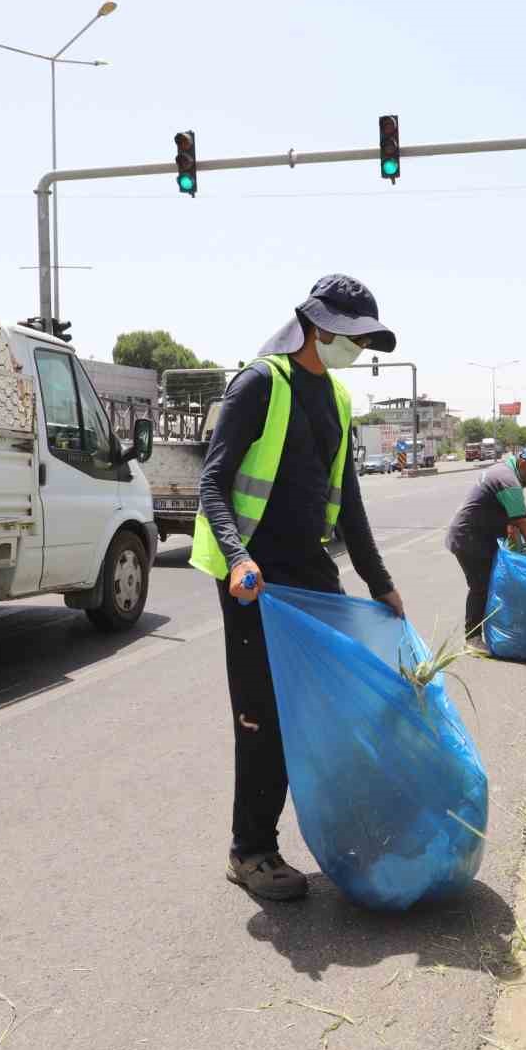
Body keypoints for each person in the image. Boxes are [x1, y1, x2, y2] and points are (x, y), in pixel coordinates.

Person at [191, 274, 406, 901]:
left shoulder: (336, 397)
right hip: (254, 580)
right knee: (264, 717)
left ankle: (339, 831)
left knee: (322, 712)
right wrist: (236, 559)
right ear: (316, 327)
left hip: (311, 571)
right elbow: (213, 484)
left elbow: (351, 500)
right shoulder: (260, 383)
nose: (359, 350)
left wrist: (380, 581)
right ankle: (250, 851)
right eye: (352, 337)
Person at [446, 445, 526, 652]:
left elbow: (514, 524)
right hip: (470, 538)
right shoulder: (509, 481)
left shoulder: (503, 471)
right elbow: (524, 523)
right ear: (524, 464)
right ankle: (472, 638)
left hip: (480, 536)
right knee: (481, 585)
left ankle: (494, 632)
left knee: (492, 582)